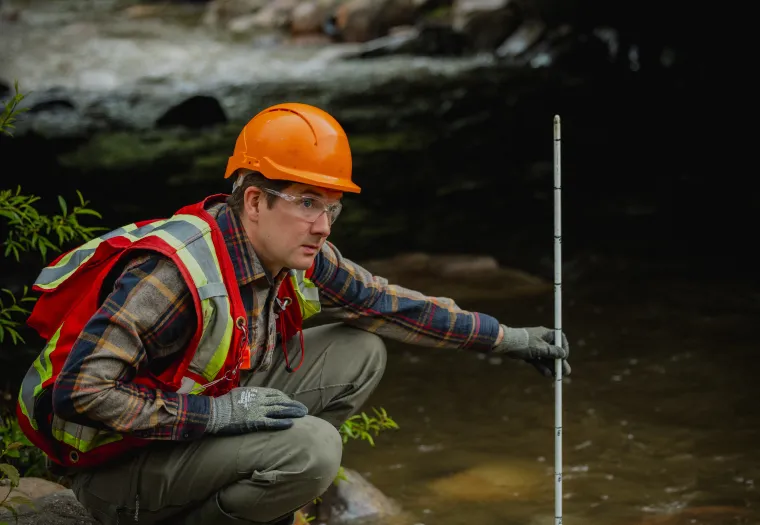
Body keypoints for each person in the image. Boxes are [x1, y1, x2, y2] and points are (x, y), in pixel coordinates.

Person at [16, 102, 570, 525]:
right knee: (314, 447)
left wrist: (508, 339)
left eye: (332, 208)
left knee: (360, 348)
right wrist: (219, 417)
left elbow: (386, 305)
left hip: (180, 433)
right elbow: (80, 391)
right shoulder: (172, 275)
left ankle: (263, 493)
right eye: (308, 203)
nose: (324, 225)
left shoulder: (288, 251)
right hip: (109, 470)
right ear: (255, 200)